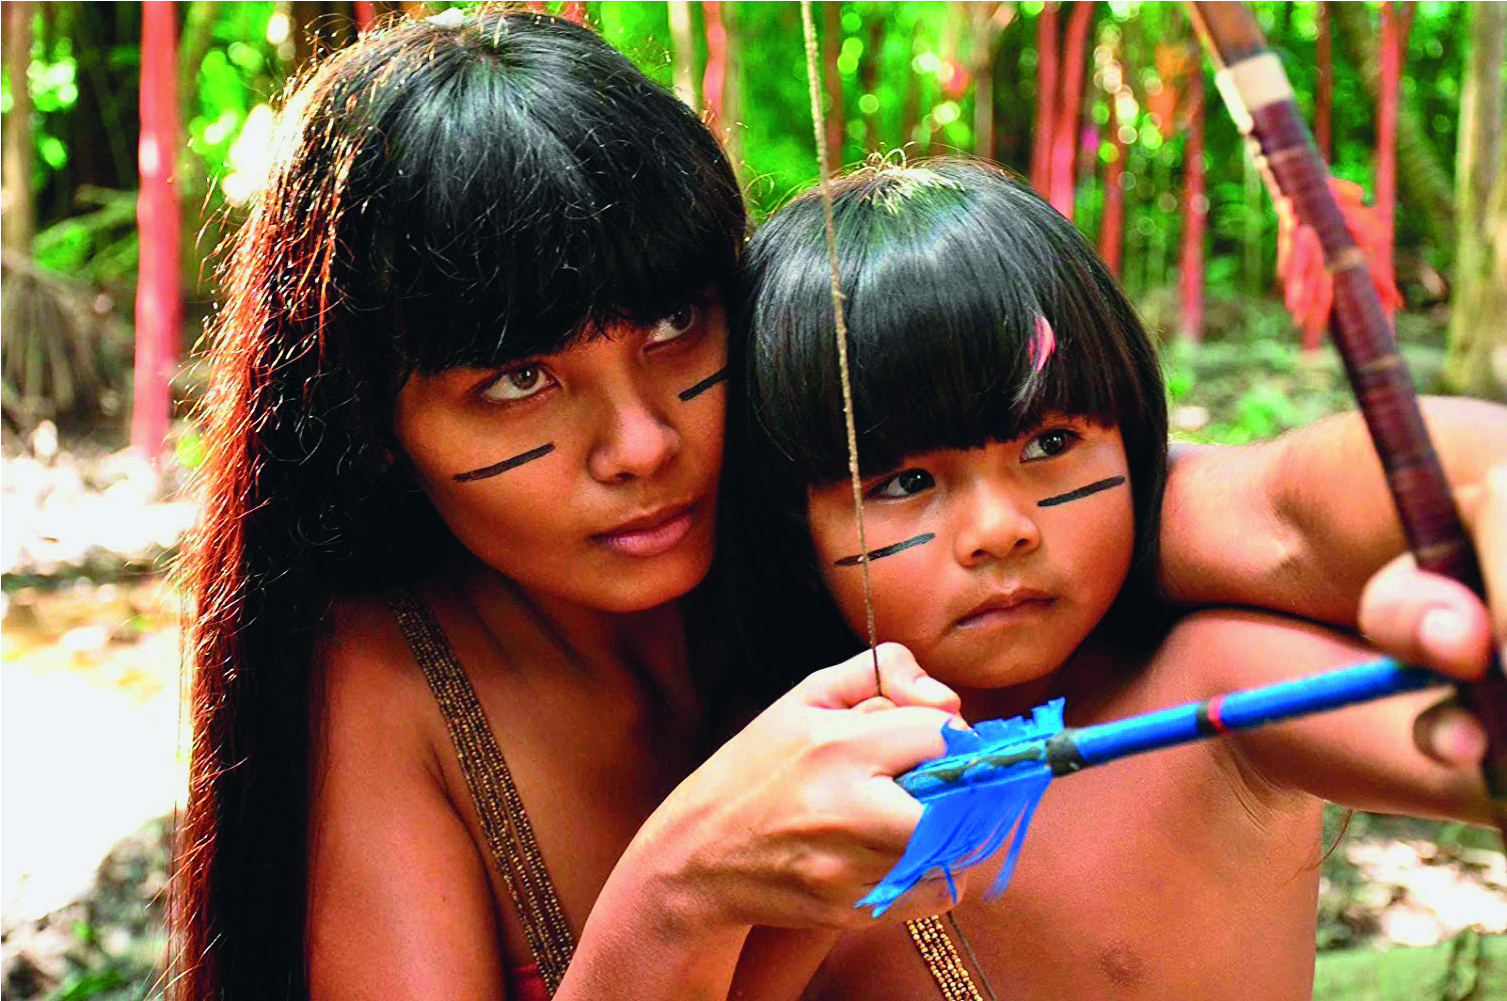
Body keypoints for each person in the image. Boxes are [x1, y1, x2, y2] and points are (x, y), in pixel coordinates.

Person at [175, 10, 1499, 999]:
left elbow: (1272, 507)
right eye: (518, 380)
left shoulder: (837, 454)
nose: (638, 443)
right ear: (373, 421)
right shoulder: (390, 672)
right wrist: (674, 892)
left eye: (674, 326)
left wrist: (1486, 490)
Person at [723, 158, 1506, 999]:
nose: (999, 531)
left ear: (1135, 445)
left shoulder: (1210, 683)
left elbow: (1324, 515)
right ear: (791, 533)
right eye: (903, 482)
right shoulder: (765, 783)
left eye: (1049, 445)